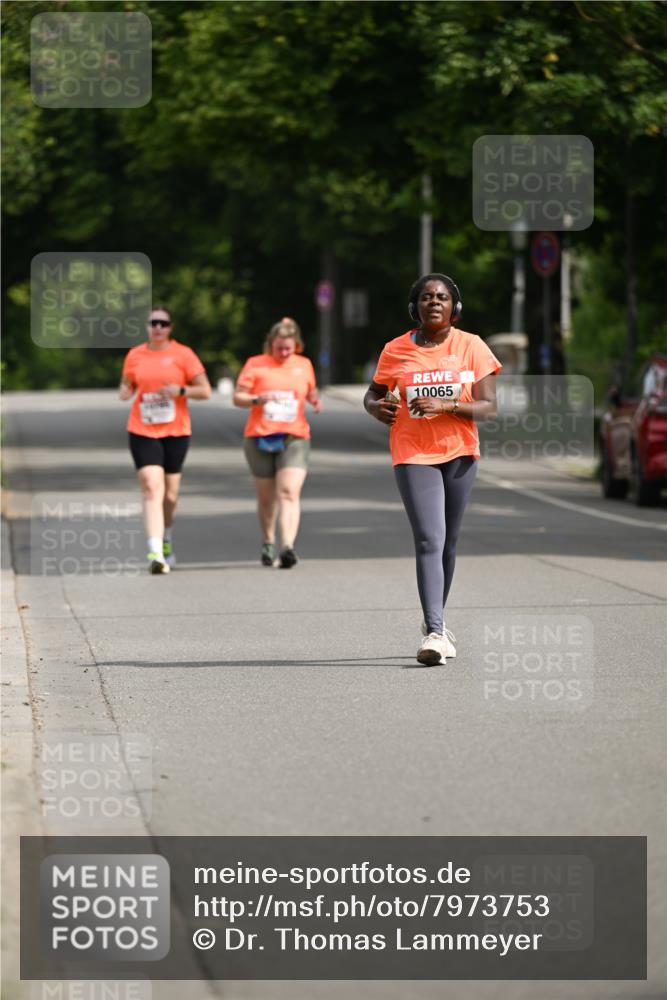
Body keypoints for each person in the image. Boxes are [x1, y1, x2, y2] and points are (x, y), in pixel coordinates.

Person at [364, 274, 501, 665]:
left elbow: (489, 408)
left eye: (442, 297)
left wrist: (447, 407)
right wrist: (377, 408)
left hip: (459, 453)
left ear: (454, 307)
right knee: (428, 538)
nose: (434, 302)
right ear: (415, 307)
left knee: (448, 543)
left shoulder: (471, 346)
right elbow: (373, 394)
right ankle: (437, 633)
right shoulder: (395, 350)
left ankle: (434, 622)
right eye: (426, 297)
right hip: (412, 453)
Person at [119, 306, 211, 574]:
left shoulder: (183, 355)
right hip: (142, 429)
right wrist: (125, 391)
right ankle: (155, 552)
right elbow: (127, 384)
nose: (158, 327)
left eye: (163, 323)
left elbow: (205, 390)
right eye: (153, 323)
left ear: (170, 327)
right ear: (147, 326)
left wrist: (180, 390)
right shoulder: (135, 355)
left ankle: (166, 536)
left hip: (176, 431)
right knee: (151, 487)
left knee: (169, 495)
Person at [234, 317, 321, 568]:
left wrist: (315, 400)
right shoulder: (256, 364)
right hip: (259, 436)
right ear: (270, 344)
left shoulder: (304, 365)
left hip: (294, 437)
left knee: (289, 492)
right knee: (266, 498)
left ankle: (287, 547)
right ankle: (268, 540)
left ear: (297, 345)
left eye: (288, 348)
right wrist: (258, 399)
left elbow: (310, 389)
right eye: (279, 348)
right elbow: (238, 397)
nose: (283, 353)